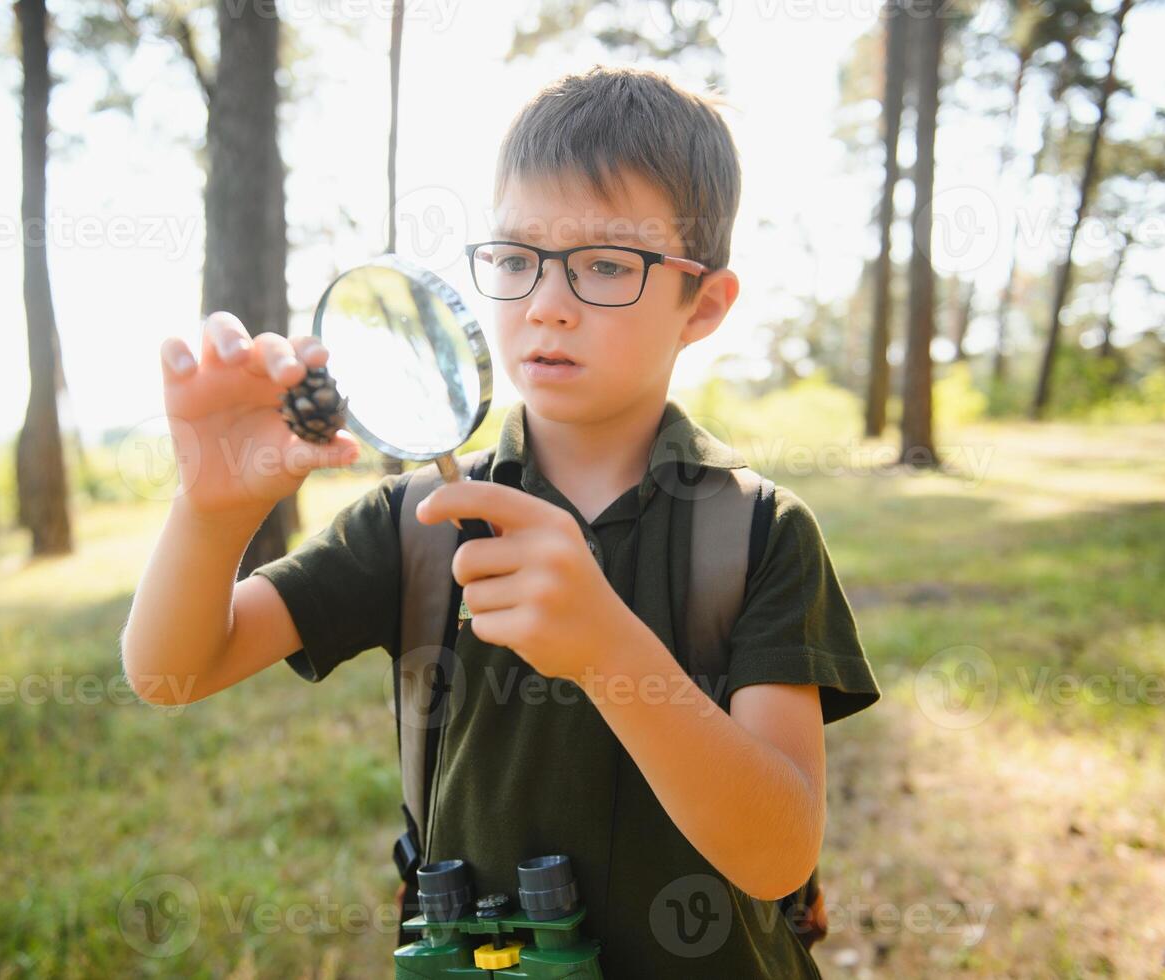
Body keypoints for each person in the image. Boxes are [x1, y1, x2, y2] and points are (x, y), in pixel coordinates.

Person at [122, 65, 881, 977]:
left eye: (606, 263)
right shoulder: (420, 521)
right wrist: (211, 512)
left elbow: (778, 853)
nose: (546, 302)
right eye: (517, 258)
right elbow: (173, 670)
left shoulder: (756, 532)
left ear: (703, 306)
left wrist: (611, 652)